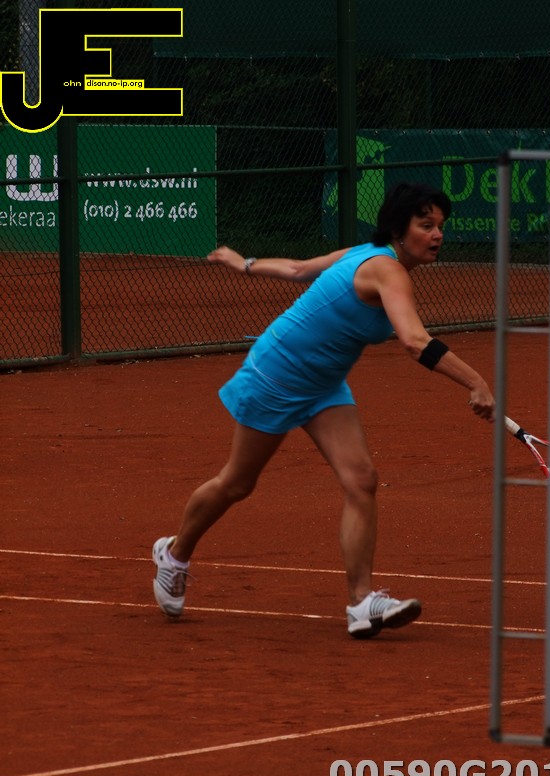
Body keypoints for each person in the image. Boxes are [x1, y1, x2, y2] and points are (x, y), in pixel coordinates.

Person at [152, 182, 495, 638]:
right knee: (237, 483)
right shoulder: (386, 269)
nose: (437, 235)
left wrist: (245, 263)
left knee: (361, 480)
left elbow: (298, 268)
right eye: (426, 225)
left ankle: (362, 603)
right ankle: (174, 554)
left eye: (440, 226)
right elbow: (415, 341)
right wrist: (475, 382)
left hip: (323, 384)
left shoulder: (366, 253)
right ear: (399, 229)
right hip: (276, 376)